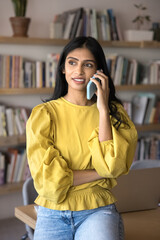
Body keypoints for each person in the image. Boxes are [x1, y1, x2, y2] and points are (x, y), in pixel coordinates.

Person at [26, 36, 138, 240]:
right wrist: (100, 173)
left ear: (98, 72)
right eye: (72, 63)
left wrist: (103, 109)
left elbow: (113, 165)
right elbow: (46, 179)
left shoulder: (115, 113)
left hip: (98, 208)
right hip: (52, 210)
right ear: (63, 69)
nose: (78, 71)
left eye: (87, 64)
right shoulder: (44, 114)